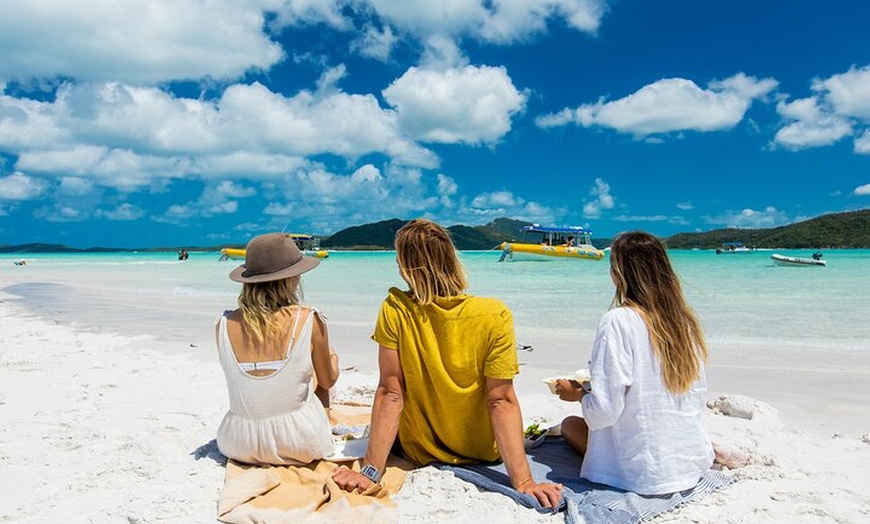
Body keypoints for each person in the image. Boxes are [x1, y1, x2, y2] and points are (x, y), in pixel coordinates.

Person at [332, 219, 562, 508]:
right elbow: (500, 400)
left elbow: (391, 393)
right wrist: (524, 481)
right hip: (483, 451)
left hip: (421, 451)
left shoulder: (396, 308)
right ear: (452, 260)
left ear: (406, 267)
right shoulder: (494, 315)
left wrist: (370, 471)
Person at [555, 230, 713, 495]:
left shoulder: (617, 321)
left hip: (644, 472)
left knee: (569, 425)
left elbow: (605, 412)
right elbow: (696, 395)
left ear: (618, 273)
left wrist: (580, 395)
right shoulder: (684, 322)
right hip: (689, 459)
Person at [215, 232, 340, 465]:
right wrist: (333, 357)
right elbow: (328, 380)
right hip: (300, 443)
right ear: (290, 278)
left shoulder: (223, 324)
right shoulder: (309, 318)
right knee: (320, 376)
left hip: (237, 442)